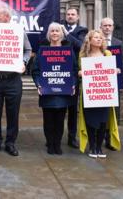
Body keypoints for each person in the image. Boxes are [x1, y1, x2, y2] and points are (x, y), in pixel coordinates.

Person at [0, 7, 32, 157]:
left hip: (13, 80)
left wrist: (23, 62)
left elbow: (28, 50)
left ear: (6, 17)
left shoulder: (19, 32)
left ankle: (10, 143)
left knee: (13, 113)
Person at [31, 22, 76, 155]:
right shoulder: (42, 51)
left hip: (63, 91)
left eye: (57, 31)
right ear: (49, 34)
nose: (55, 33)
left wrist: (72, 83)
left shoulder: (68, 51)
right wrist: (38, 84)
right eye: (52, 31)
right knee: (48, 120)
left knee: (60, 120)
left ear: (62, 34)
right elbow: (36, 70)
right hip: (47, 91)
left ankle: (57, 144)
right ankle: (50, 144)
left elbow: (74, 70)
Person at [78, 30, 120, 158]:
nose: (99, 39)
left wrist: (116, 70)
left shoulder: (107, 54)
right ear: (89, 40)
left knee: (103, 121)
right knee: (90, 121)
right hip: (89, 94)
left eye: (100, 38)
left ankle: (99, 147)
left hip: (104, 94)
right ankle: (92, 147)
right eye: (96, 37)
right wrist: (80, 73)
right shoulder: (83, 56)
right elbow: (79, 71)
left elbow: (113, 68)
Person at [61, 8, 88, 148]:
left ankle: (72, 137)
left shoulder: (82, 30)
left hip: (73, 72)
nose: (70, 16)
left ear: (78, 17)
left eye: (73, 14)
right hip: (59, 71)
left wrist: (67, 35)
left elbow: (82, 45)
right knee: (58, 107)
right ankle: (56, 137)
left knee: (72, 108)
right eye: (68, 14)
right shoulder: (58, 26)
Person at [100, 17, 123, 151]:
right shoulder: (95, 42)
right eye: (105, 25)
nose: (107, 28)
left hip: (113, 84)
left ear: (113, 27)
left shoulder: (118, 43)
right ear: (101, 27)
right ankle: (99, 137)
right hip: (99, 84)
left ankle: (110, 139)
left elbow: (120, 64)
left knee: (113, 112)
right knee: (100, 111)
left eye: (110, 25)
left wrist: (120, 73)